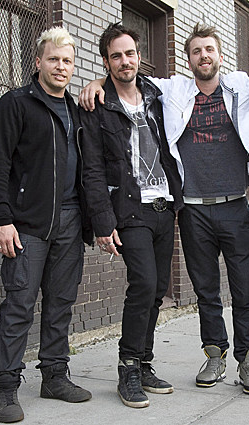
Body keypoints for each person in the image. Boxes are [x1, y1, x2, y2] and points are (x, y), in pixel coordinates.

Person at [79, 23, 249, 395]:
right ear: (189, 59)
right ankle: (215, 356)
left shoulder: (243, 86)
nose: (204, 56)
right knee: (206, 292)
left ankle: (247, 362)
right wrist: (96, 83)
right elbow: (127, 80)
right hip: (193, 212)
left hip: (235, 206)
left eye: (209, 49)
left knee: (244, 292)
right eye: (196, 51)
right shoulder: (173, 89)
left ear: (220, 55)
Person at [0, 27, 93, 423]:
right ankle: (6, 387)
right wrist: (2, 219)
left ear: (73, 66)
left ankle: (55, 377)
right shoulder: (16, 103)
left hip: (71, 221)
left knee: (61, 303)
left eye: (67, 61)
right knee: (19, 305)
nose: (60, 67)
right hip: (27, 224)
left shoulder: (77, 110)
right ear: (38, 62)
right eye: (53, 59)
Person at [79, 23, 184, 409]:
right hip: (130, 208)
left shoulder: (157, 96)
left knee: (157, 289)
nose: (125, 61)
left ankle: (144, 362)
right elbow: (91, 168)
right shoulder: (97, 105)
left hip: (164, 206)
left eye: (130, 54)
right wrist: (103, 221)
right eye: (116, 56)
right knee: (144, 284)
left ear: (139, 56)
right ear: (106, 62)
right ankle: (127, 368)